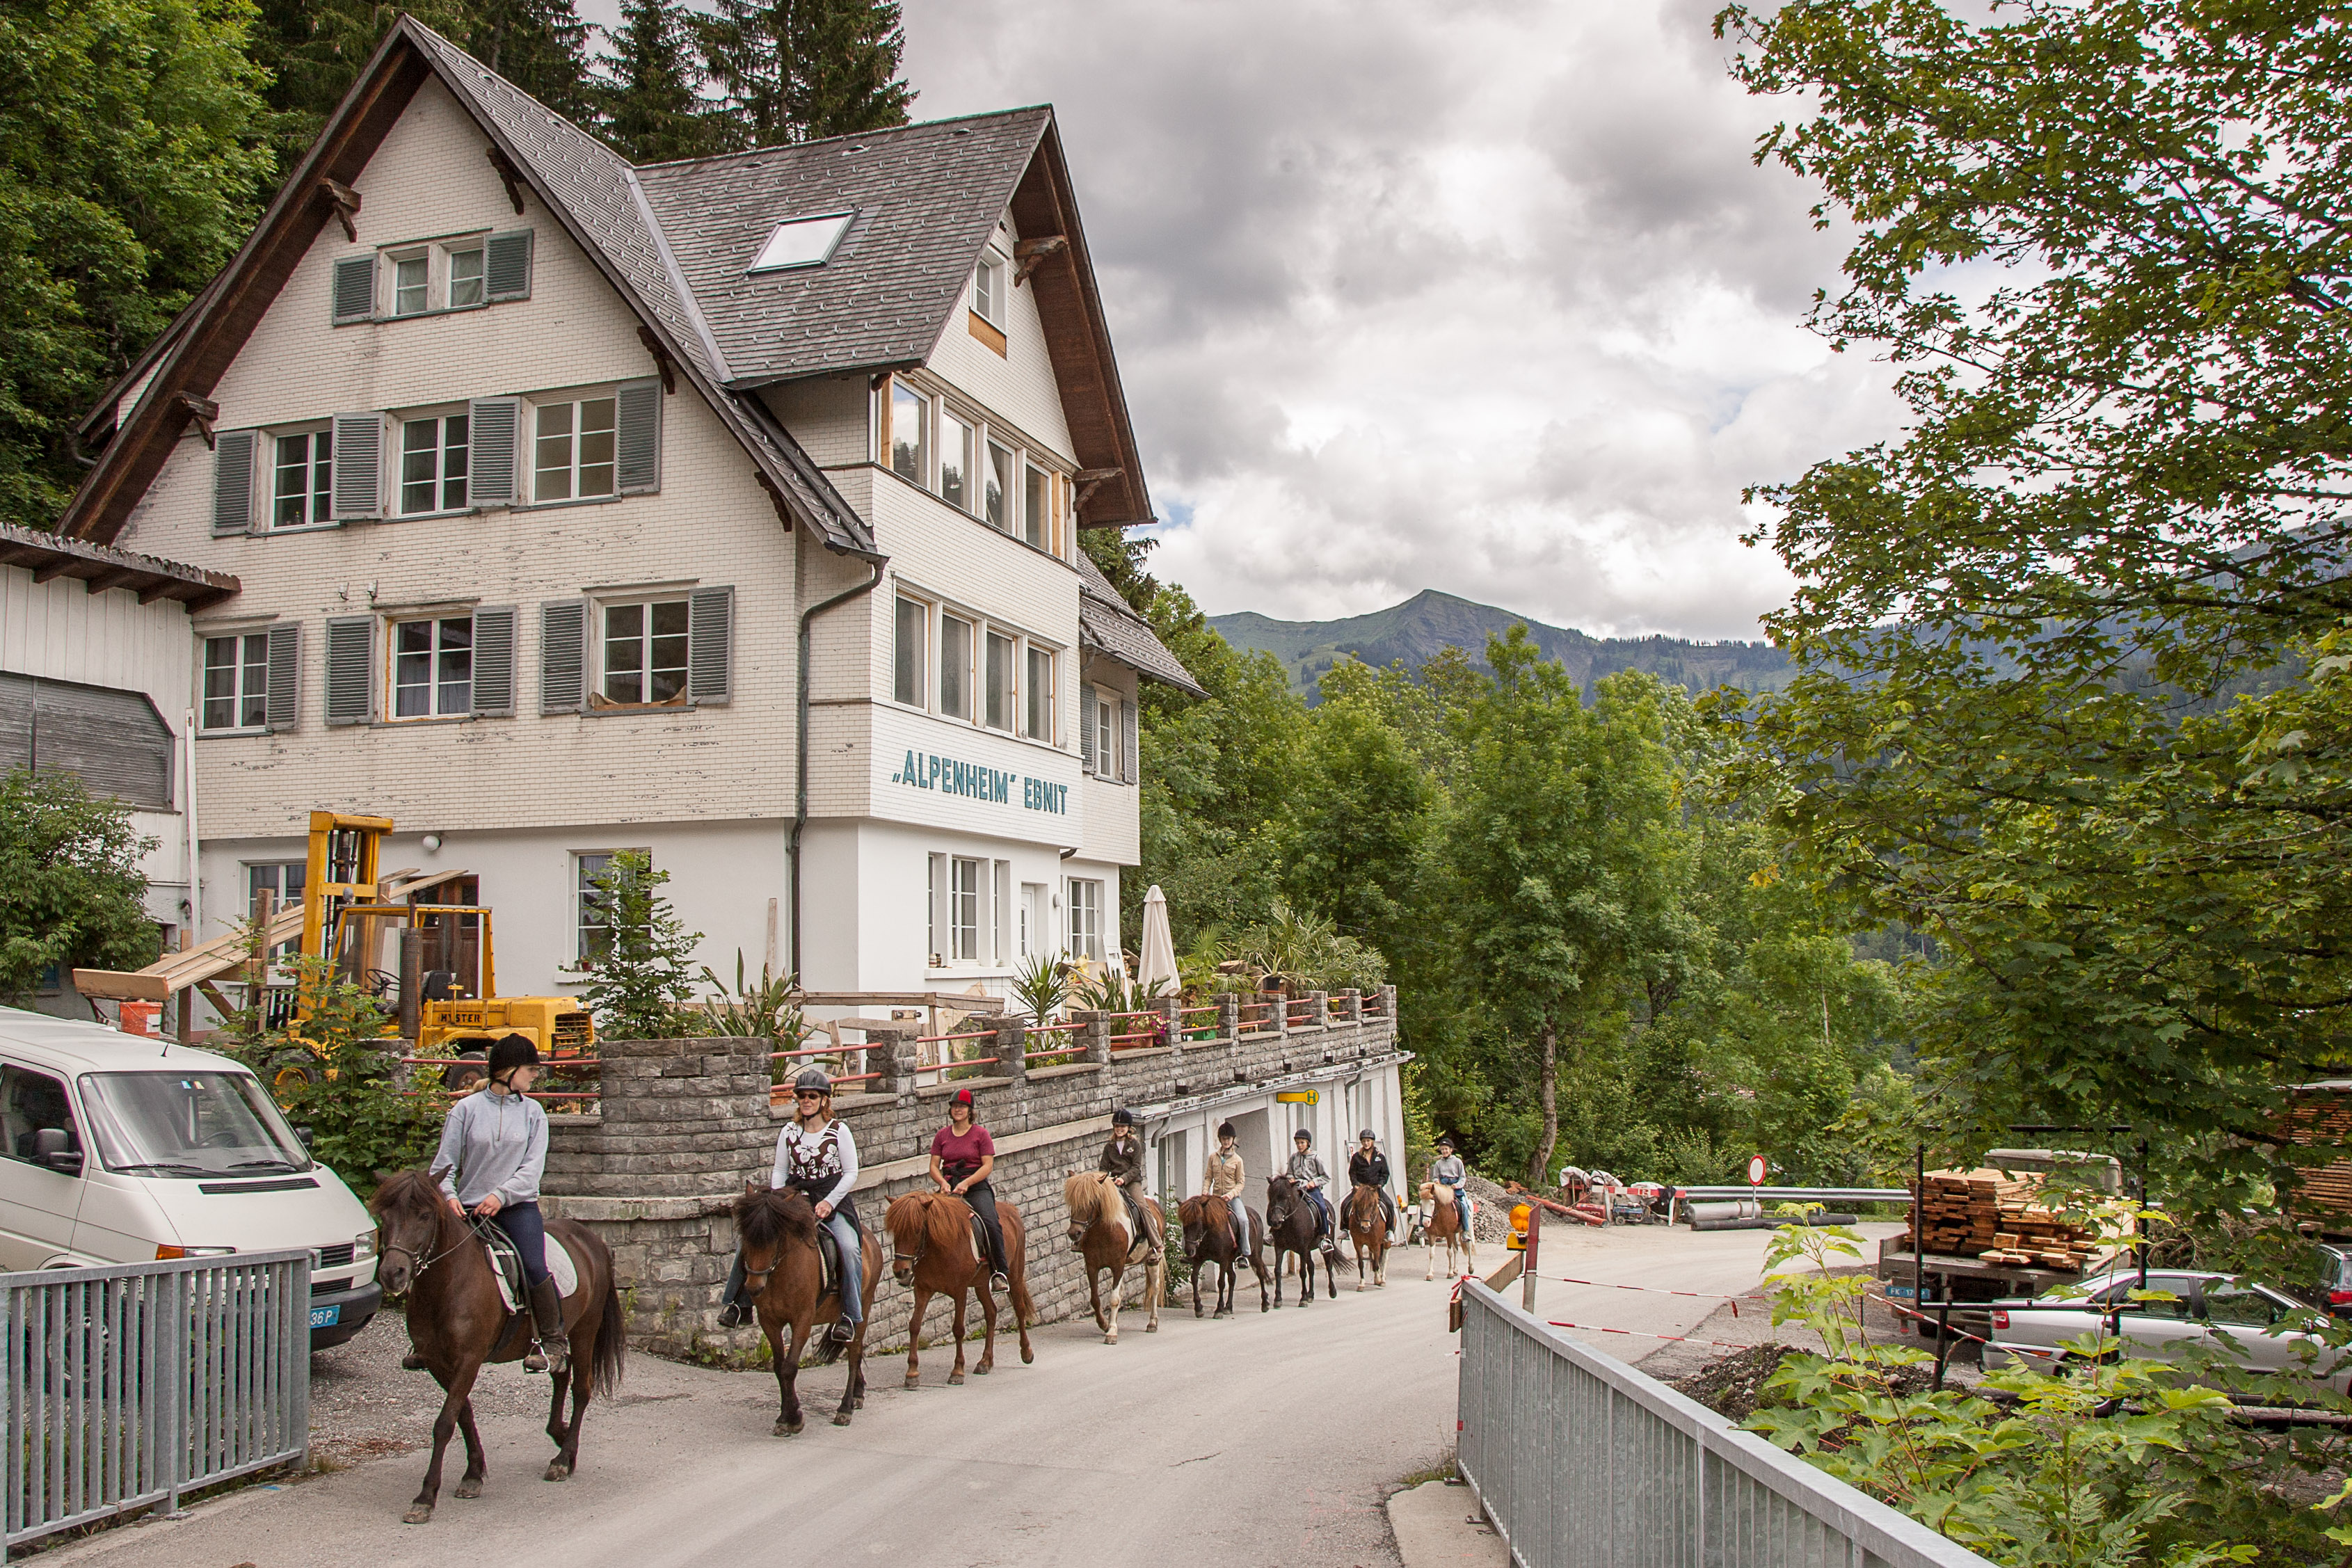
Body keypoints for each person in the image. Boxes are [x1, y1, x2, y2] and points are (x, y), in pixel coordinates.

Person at [434, 1033, 565, 1374]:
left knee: (535, 1266)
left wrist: (500, 1195)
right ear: (508, 1070)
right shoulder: (465, 1110)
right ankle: (427, 1339)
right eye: (530, 1069)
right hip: (469, 1209)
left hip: (516, 1207)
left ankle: (552, 1341)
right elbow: (443, 1168)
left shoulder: (534, 1113)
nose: (535, 1076)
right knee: (436, 1262)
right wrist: (449, 1197)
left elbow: (532, 1170)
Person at [717, 1069, 865, 1343]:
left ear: (824, 1100)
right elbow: (779, 1170)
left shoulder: (839, 1131)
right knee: (752, 1239)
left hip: (830, 1199)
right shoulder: (788, 1131)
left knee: (849, 1247)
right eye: (801, 1096)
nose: (806, 1100)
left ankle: (849, 1315)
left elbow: (851, 1173)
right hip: (793, 1200)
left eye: (812, 1096)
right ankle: (738, 1305)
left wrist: (829, 1203)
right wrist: (776, 1201)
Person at [930, 1087, 1009, 1290]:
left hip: (975, 1186)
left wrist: (967, 1183)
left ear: (970, 1110)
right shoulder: (942, 1136)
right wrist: (943, 1183)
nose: (957, 1110)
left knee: (990, 1222)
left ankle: (999, 1271)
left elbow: (987, 1166)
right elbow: (933, 1167)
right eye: (955, 1106)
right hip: (949, 1186)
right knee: (924, 1219)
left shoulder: (981, 1135)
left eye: (962, 1107)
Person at [1098, 1107, 1160, 1261]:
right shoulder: (1109, 1147)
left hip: (1132, 1182)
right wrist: (1108, 1179)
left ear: (1128, 1128)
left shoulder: (1135, 1145)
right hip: (1113, 1182)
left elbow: (1136, 1167)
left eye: (1123, 1127)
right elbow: (1103, 1168)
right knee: (1096, 1204)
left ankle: (1156, 1243)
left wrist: (1124, 1179)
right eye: (1117, 1127)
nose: (1119, 1129)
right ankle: (1083, 1242)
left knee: (1142, 1206)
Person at [1201, 1121, 1251, 1261]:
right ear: (1220, 1140)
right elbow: (1208, 1177)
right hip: (1215, 1198)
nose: (1226, 1141)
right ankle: (1196, 1252)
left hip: (1232, 1198)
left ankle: (1244, 1253)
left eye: (1228, 1139)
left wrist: (1230, 1195)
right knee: (1197, 1217)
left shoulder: (1238, 1160)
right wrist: (1205, 1190)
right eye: (1223, 1139)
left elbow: (1240, 1183)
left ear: (1233, 1140)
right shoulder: (1213, 1157)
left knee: (1243, 1220)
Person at [1288, 1128, 1338, 1256]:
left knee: (1321, 1208)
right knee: (1282, 1205)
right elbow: (1289, 1173)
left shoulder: (1316, 1158)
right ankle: (1274, 1233)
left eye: (1302, 1143)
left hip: (1311, 1190)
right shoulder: (1293, 1158)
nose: (1299, 1145)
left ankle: (1324, 1237)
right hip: (1296, 1188)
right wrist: (1291, 1179)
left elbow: (1326, 1177)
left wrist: (1314, 1183)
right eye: (1298, 1143)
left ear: (1308, 1144)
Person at [1347, 1128, 1397, 1238]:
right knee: (1345, 1205)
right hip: (1361, 1189)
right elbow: (1352, 1173)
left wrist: (1381, 1183)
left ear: (1372, 1142)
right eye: (1364, 1141)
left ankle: (1389, 1231)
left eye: (1368, 1141)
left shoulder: (1380, 1157)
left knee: (1389, 1204)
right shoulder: (1356, 1157)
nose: (1366, 1143)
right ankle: (1345, 1229)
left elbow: (1385, 1173)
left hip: (1375, 1189)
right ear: (1361, 1142)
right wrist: (1355, 1184)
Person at [1430, 1135, 1472, 1237]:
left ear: (1451, 1150)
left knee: (1464, 1206)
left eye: (1446, 1149)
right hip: (1443, 1188)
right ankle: (1424, 1228)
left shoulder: (1457, 1162)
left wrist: (1457, 1185)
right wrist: (1437, 1182)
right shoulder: (1438, 1164)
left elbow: (1462, 1177)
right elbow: (1435, 1177)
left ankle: (1465, 1230)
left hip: (1454, 1188)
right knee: (1428, 1203)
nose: (1444, 1151)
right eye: (1442, 1149)